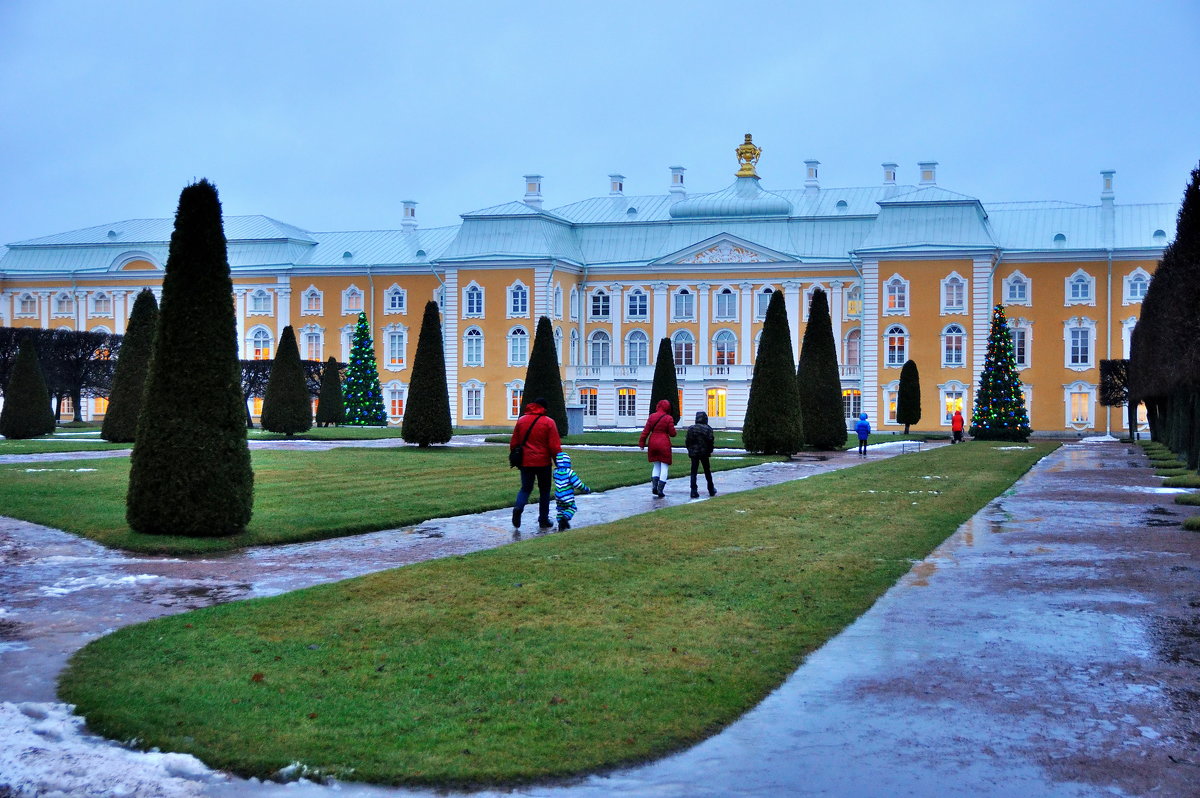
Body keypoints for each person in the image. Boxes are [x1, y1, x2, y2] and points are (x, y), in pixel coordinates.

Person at [509, 397, 562, 532]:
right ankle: (543, 520)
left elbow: (514, 443)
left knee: (525, 489)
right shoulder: (548, 422)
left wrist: (516, 457)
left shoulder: (521, 421)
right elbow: (554, 446)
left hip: (526, 462)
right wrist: (559, 463)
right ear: (544, 408)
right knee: (544, 491)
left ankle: (518, 508)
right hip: (543, 462)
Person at [639, 399, 677, 497]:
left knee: (656, 465)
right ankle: (660, 490)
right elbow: (672, 433)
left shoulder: (652, 417)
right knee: (664, 466)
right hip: (664, 442)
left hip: (653, 442)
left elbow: (645, 431)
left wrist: (642, 442)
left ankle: (654, 486)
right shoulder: (668, 418)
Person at [552, 452, 591, 531]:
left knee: (560, 509)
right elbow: (578, 484)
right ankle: (565, 518)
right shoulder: (570, 472)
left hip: (558, 496)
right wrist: (586, 489)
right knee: (572, 508)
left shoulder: (555, 472)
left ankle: (561, 525)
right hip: (567, 496)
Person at [685, 410, 717, 499]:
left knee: (693, 472)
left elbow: (687, 441)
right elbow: (711, 441)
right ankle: (711, 489)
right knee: (707, 471)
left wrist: (690, 450)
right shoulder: (708, 429)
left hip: (694, 453)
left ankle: (693, 490)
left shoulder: (691, 428)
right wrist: (710, 450)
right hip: (704, 452)